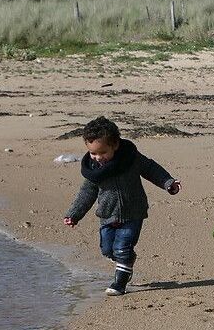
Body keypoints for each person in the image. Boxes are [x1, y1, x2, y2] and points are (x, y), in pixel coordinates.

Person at [63, 116, 181, 295]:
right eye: (93, 154)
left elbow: (150, 169)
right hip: (107, 215)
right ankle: (126, 260)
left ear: (115, 145)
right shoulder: (94, 171)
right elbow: (86, 194)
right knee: (108, 250)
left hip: (133, 212)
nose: (98, 158)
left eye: (102, 152)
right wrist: (74, 214)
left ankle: (119, 283)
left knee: (122, 248)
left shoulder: (131, 158)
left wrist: (168, 182)